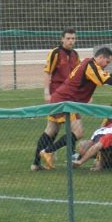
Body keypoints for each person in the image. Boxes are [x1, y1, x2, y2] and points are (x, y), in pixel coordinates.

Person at [35, 47, 112, 170]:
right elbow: (105, 79)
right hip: (68, 101)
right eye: (107, 62)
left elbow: (107, 76)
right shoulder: (90, 65)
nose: (107, 65)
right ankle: (48, 151)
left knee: (50, 130)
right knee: (78, 132)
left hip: (60, 97)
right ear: (100, 57)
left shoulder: (90, 64)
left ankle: (35, 163)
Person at [32, 29, 80, 170]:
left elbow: (78, 75)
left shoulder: (75, 55)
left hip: (70, 96)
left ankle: (36, 163)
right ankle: (56, 153)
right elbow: (47, 72)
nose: (71, 41)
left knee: (52, 129)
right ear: (62, 39)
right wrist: (47, 93)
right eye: (68, 38)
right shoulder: (55, 53)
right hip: (59, 96)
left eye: (73, 38)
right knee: (76, 129)